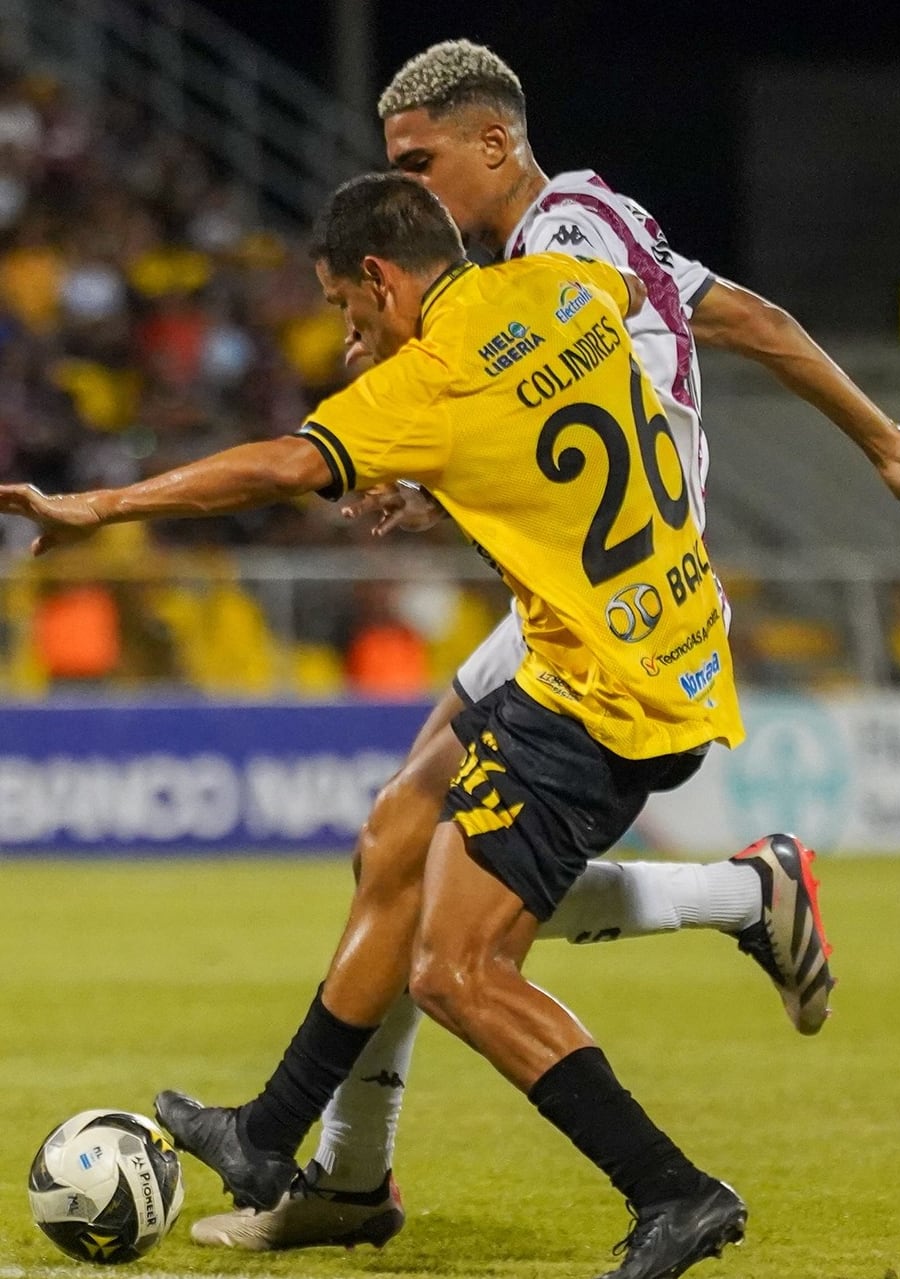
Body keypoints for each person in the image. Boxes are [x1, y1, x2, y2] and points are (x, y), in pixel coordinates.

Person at [182, 39, 900, 1253]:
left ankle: (353, 1168)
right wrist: (878, 435)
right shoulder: (576, 230)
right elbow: (724, 329)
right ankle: (347, 1167)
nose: (405, 188)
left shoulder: (561, 246)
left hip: (604, 612)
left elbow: (590, 407)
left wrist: (879, 435)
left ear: (493, 143)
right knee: (401, 851)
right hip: (576, 596)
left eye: (418, 162)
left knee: (427, 890)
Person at [3, 172, 757, 1279]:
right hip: (668, 641)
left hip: (595, 696)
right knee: (398, 834)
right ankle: (266, 1135)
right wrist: (437, 474)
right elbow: (607, 354)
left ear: (379, 276)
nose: (346, 331)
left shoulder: (431, 376)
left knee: (455, 972)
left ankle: (674, 1190)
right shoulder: (559, 285)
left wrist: (101, 504)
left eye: (344, 306)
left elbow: (279, 465)